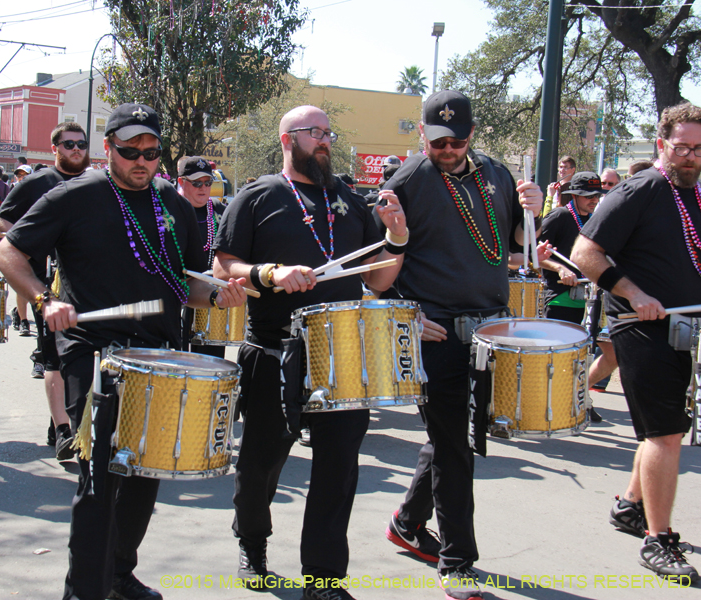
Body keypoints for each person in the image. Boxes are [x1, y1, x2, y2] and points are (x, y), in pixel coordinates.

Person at [0, 102, 247, 600]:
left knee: (146, 473)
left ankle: (117, 572)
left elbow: (184, 285)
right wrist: (44, 301)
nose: (141, 161)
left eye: (151, 152)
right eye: (130, 151)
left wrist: (217, 294)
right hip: (94, 351)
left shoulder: (173, 205)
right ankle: (83, 589)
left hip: (159, 354)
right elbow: (7, 252)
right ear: (108, 148)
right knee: (101, 478)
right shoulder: (74, 196)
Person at [213, 105, 406, 600]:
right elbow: (223, 265)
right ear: (287, 139)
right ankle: (252, 540)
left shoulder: (352, 201)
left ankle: (323, 578)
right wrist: (271, 273)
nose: (324, 140)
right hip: (274, 349)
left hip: (340, 353)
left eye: (327, 132)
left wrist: (396, 236)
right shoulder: (258, 196)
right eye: (314, 132)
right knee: (260, 462)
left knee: (338, 468)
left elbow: (378, 279)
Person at [374, 90, 543, 600]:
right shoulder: (405, 181)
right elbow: (379, 263)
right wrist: (408, 313)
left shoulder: (495, 172)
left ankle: (407, 522)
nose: (448, 149)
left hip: (489, 325)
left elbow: (512, 243)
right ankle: (458, 562)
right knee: (454, 447)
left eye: (458, 140)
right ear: (423, 134)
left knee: (456, 437)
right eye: (438, 140)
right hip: (437, 331)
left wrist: (531, 210)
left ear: (472, 136)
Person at [571, 101, 701, 582]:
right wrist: (635, 293)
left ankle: (630, 506)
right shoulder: (641, 188)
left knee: (660, 430)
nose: (690, 156)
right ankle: (658, 539)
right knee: (666, 434)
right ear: (663, 144)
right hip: (640, 326)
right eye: (682, 146)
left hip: (683, 328)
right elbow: (584, 252)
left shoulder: (696, 195)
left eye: (699, 148)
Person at [0, 121, 90, 460]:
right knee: (55, 352)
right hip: (49, 285)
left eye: (81, 144)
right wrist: (35, 248)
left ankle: (60, 423)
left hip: (89, 285)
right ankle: (64, 432)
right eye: (68, 144)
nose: (76, 149)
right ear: (55, 149)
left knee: (83, 355)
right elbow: (3, 222)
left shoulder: (96, 182)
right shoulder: (38, 182)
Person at [538, 171, 613, 422]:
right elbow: (534, 253)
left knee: (587, 353)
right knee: (559, 353)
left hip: (591, 297)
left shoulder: (595, 219)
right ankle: (549, 402)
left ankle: (581, 399)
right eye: (587, 195)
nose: (593, 199)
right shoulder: (560, 216)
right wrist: (560, 268)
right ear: (574, 195)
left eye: (596, 195)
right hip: (561, 296)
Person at [176, 155, 226, 359]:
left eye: (208, 183)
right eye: (196, 183)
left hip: (209, 299)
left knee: (209, 366)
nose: (203, 188)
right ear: (181, 182)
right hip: (176, 298)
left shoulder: (220, 211)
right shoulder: (169, 209)